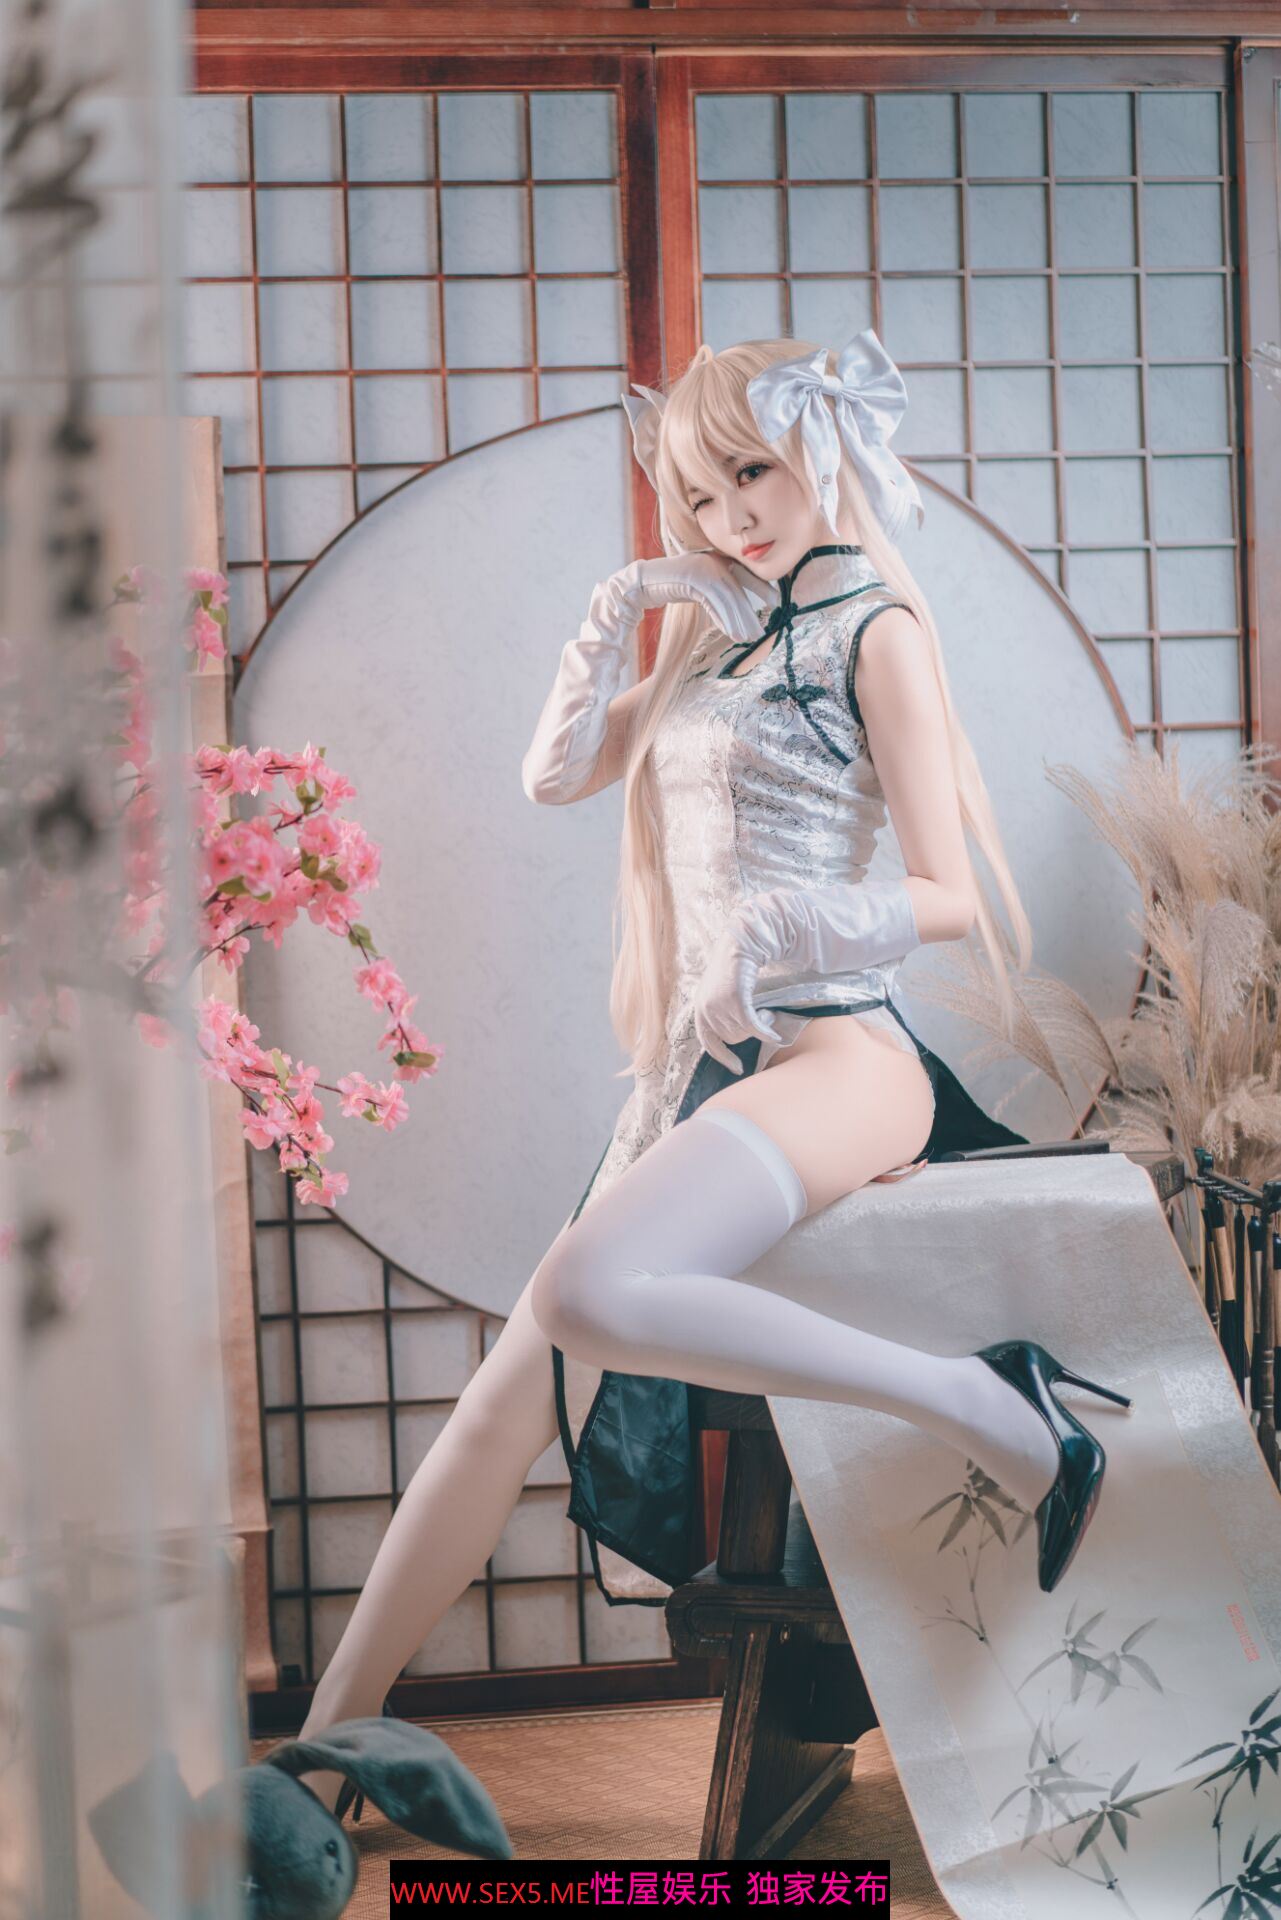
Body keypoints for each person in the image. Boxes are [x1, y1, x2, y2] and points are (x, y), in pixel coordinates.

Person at [296, 330, 1129, 1816]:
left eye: (749, 472)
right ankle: (319, 1757)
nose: (727, 514)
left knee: (586, 1293)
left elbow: (948, 893)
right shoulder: (712, 636)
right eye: (694, 492)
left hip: (845, 1056)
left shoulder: (877, 631)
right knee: (504, 1399)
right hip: (706, 1071)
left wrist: (796, 923)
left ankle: (991, 1407)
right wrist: (618, 612)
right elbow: (555, 775)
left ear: (821, 452)